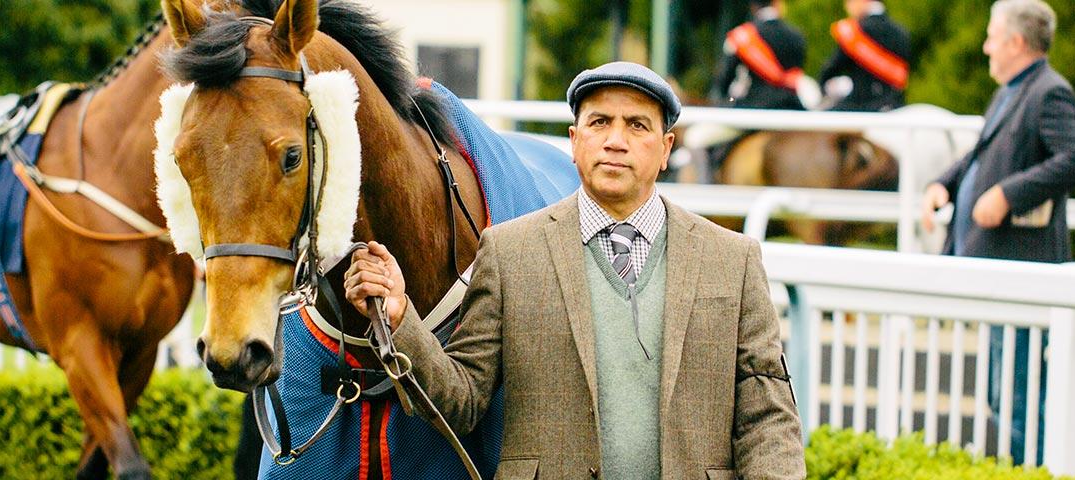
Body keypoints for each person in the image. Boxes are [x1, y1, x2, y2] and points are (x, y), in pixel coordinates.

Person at [344, 61, 805, 479]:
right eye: (599, 122)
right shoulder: (509, 252)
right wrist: (402, 320)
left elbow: (766, 413)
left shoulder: (732, 260)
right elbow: (462, 399)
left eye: (637, 125)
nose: (615, 140)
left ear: (665, 149)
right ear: (574, 140)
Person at [920, 0, 1075, 465]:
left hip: (1025, 269)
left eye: (993, 37)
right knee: (1005, 397)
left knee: (1017, 399)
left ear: (1017, 43)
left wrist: (1008, 194)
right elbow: (981, 153)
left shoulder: (1049, 92)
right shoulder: (1012, 91)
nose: (986, 46)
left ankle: (1034, 471)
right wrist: (944, 183)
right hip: (1002, 268)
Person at [708, 0, 808, 111]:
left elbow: (724, 82)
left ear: (753, 6)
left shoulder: (741, 36)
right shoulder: (797, 35)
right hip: (790, 107)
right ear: (777, 3)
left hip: (752, 109)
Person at [818, 0, 910, 112]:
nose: (847, 7)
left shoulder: (855, 31)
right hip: (895, 107)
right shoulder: (902, 32)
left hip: (860, 107)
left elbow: (830, 72)